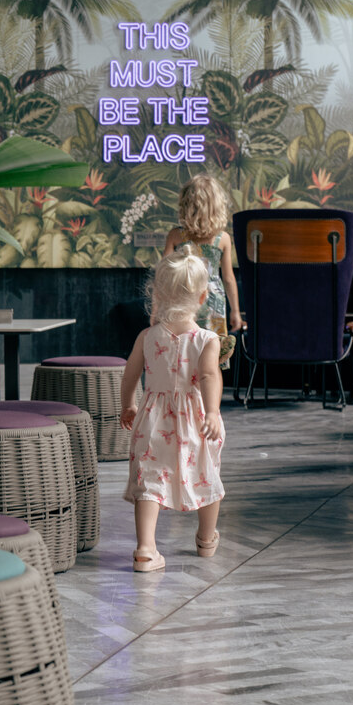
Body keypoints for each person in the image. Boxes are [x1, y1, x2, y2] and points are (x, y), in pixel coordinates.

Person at [120, 245, 226, 572]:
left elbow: (130, 373)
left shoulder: (147, 336)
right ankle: (206, 539)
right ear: (202, 296)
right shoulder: (207, 339)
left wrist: (129, 405)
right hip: (194, 420)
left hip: (152, 420)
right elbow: (208, 375)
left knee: (149, 482)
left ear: (158, 293)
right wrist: (212, 412)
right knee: (206, 475)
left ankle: (145, 549)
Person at [163, 173, 242, 368]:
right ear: (216, 206)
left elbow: (162, 275)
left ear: (186, 205)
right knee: (214, 359)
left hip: (184, 299)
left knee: (183, 355)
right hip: (214, 302)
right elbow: (229, 279)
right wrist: (236, 312)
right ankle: (212, 398)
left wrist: (158, 309)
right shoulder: (222, 239)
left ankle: (187, 397)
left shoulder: (175, 236)